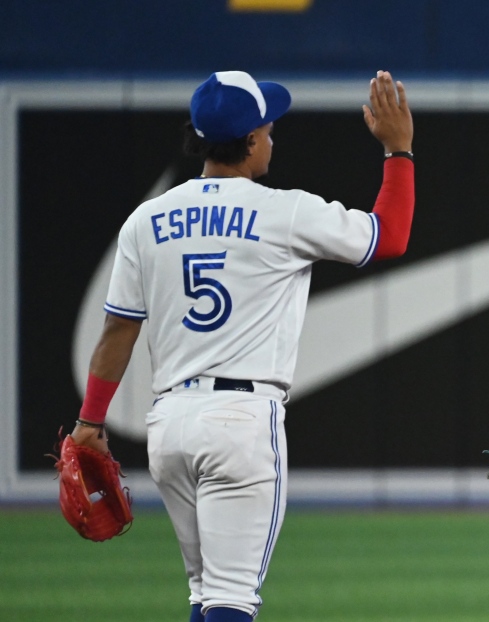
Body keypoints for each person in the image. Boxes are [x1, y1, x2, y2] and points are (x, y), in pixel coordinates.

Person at [69, 70, 415, 621]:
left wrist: (90, 420)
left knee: (206, 593)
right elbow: (389, 235)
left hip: (171, 425)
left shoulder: (146, 221)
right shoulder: (286, 211)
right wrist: (398, 151)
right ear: (251, 141)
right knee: (233, 598)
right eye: (268, 130)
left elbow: (118, 330)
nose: (272, 140)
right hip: (240, 422)